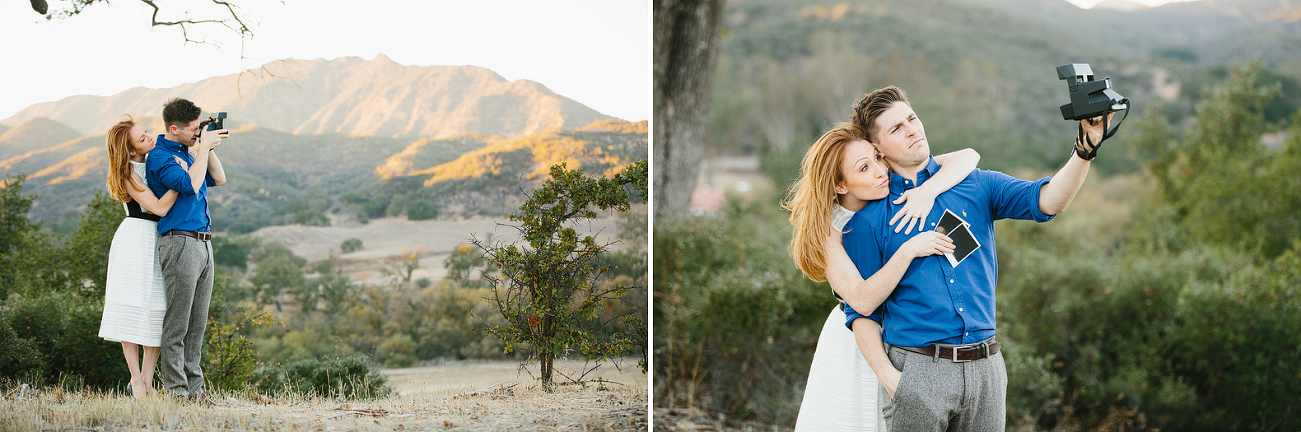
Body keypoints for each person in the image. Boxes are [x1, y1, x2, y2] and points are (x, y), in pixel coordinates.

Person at [841, 85, 1108, 431]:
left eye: (912, 118)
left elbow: (1050, 200)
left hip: (987, 369)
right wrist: (893, 381)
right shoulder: (869, 219)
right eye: (896, 128)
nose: (912, 129)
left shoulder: (975, 184)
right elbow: (861, 312)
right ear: (877, 148)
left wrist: (1085, 150)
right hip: (917, 369)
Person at [785, 123, 978, 431]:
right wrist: (908, 250)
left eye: (877, 158)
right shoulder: (830, 230)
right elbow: (861, 302)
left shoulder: (899, 191)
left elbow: (968, 156)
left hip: (908, 336)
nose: (880, 171)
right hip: (861, 343)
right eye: (864, 168)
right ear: (840, 186)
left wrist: (928, 190)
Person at [99, 114, 187, 399]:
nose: (150, 136)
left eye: (146, 131)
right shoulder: (127, 175)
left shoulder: (155, 160)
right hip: (136, 239)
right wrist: (180, 180)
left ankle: (148, 380)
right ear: (131, 150)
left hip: (159, 237)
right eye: (142, 137)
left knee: (160, 309)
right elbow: (159, 208)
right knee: (132, 306)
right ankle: (136, 380)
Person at [145, 98, 227, 404]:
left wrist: (205, 148)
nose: (197, 133)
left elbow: (218, 179)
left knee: (198, 324)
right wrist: (201, 150)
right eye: (193, 129)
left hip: (204, 242)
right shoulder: (160, 157)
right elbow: (189, 187)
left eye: (200, 128)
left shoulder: (189, 152)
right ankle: (177, 393)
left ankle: (196, 391)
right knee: (178, 323)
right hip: (179, 241)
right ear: (174, 128)